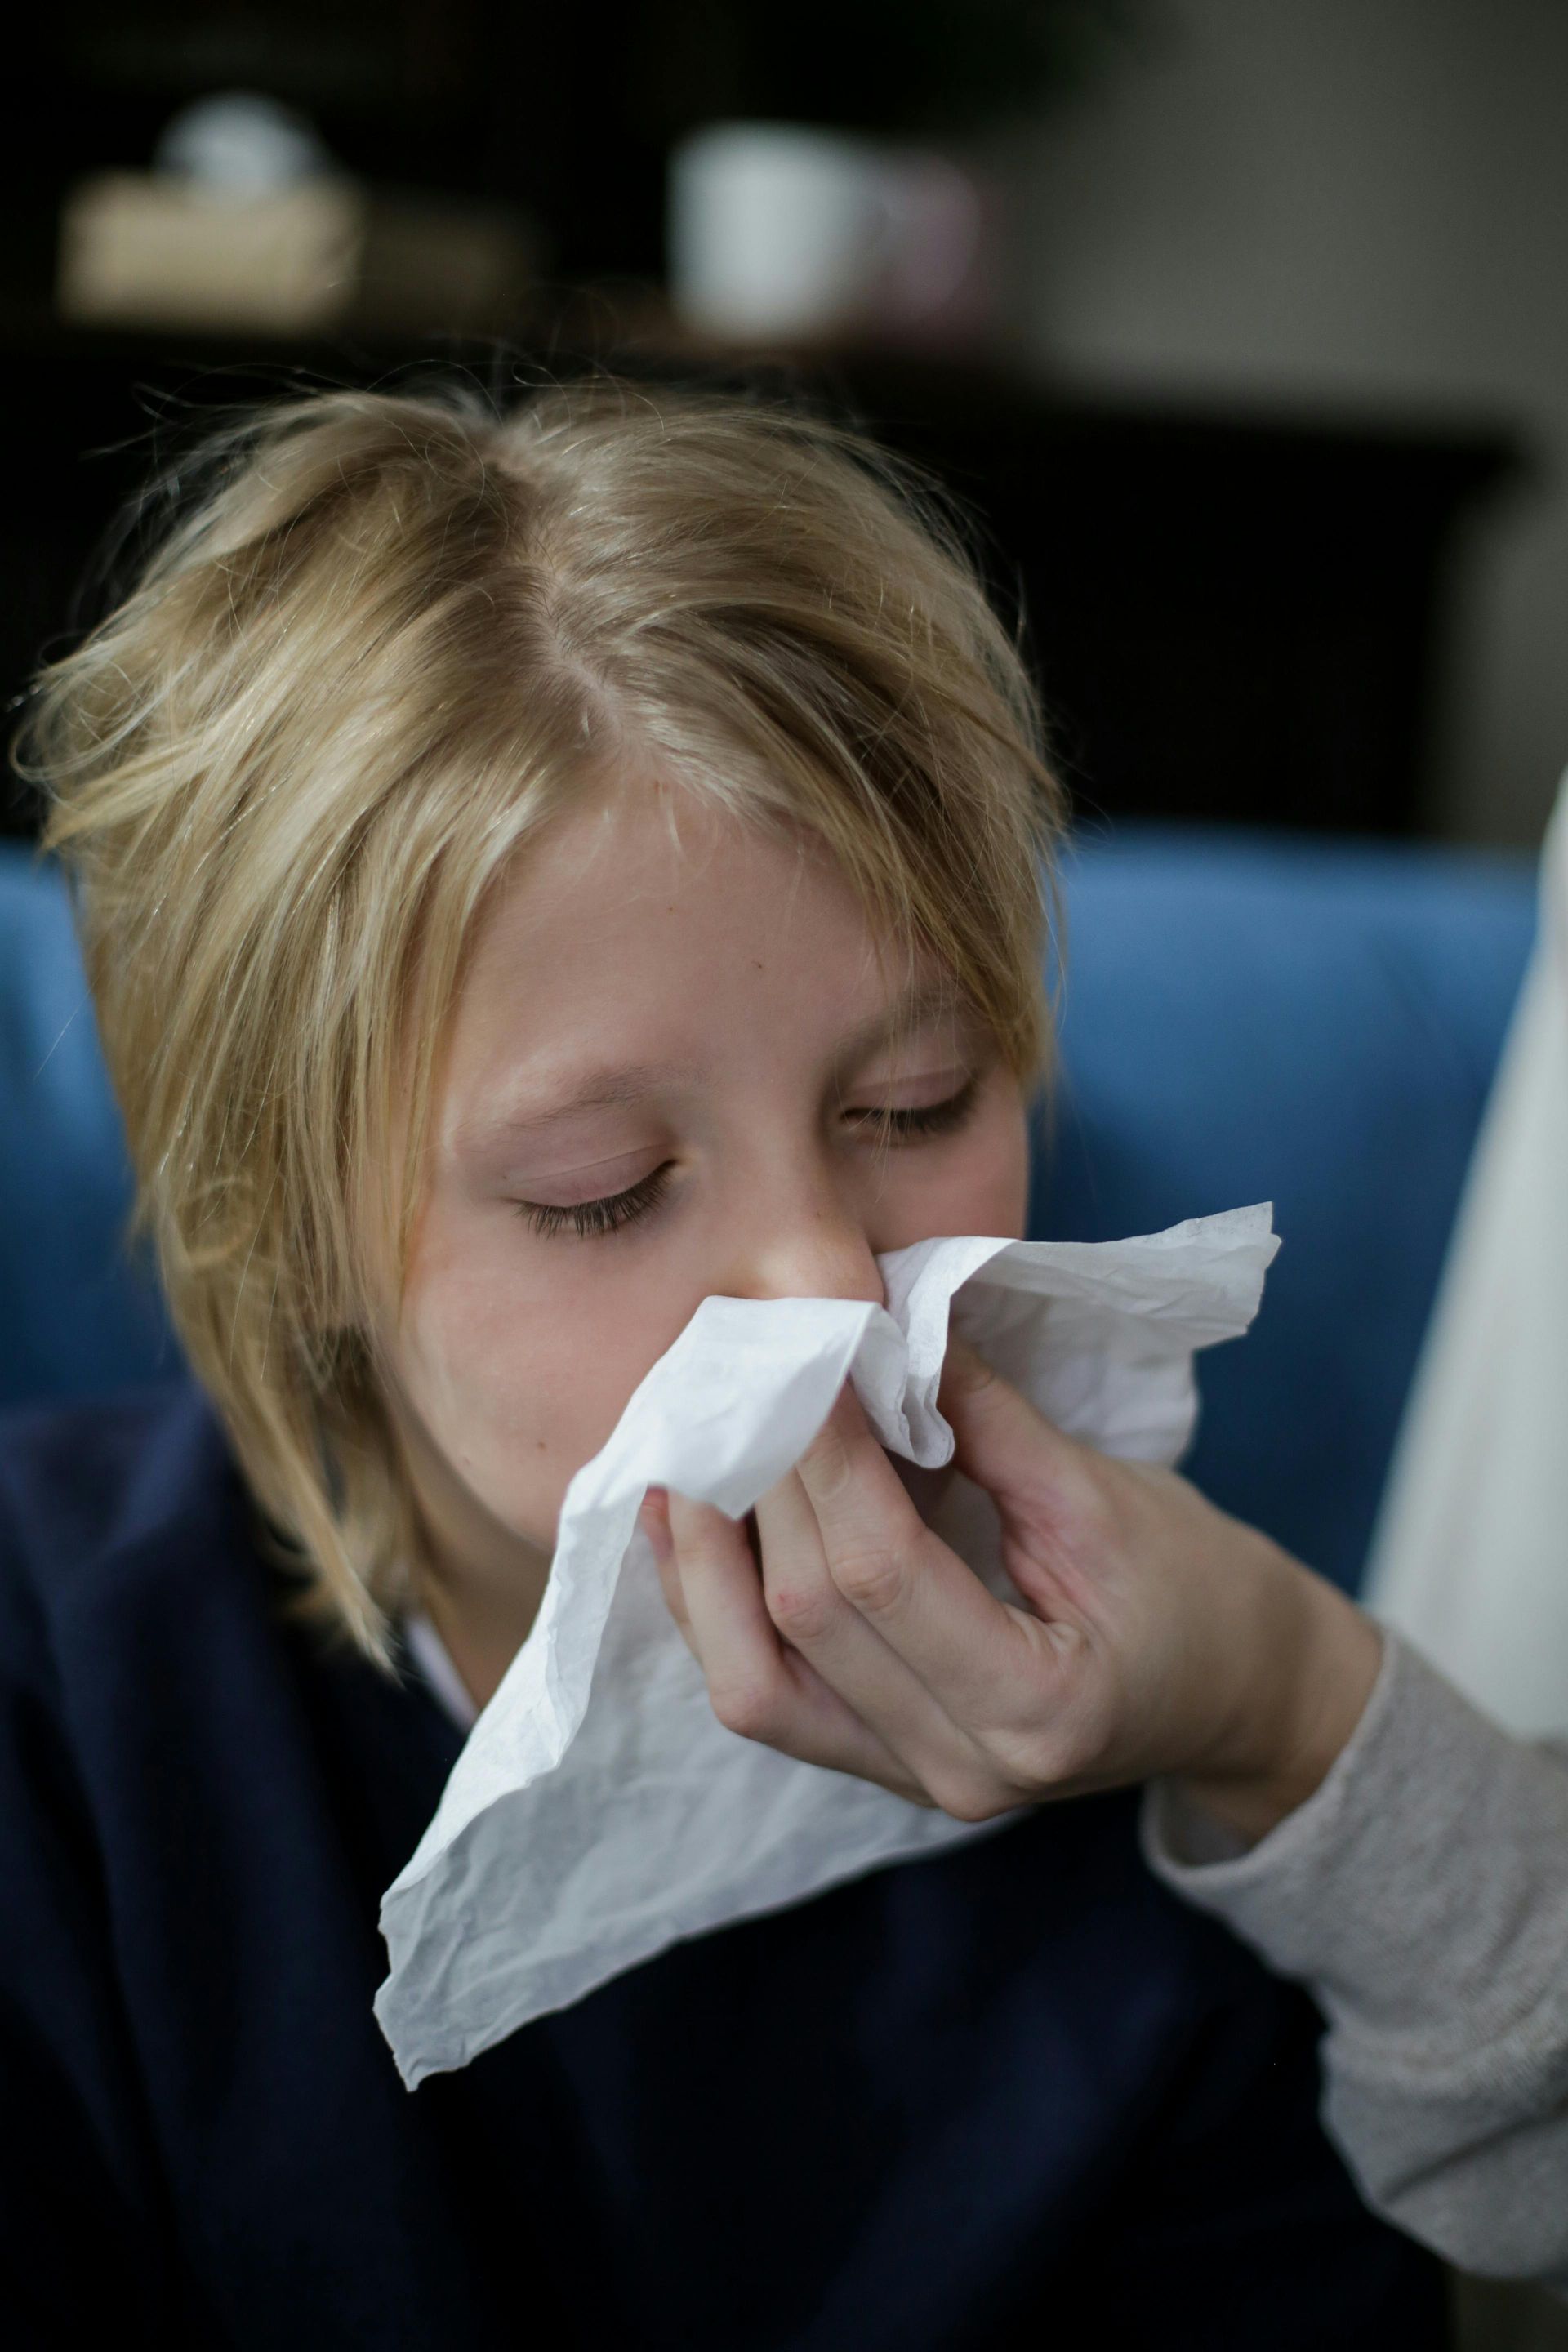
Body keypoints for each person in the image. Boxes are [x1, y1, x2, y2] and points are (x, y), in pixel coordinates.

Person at [0, 372, 1446, 2350]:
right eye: (605, 1191)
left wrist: (1283, 1713)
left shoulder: (1158, 1730)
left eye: (916, 1100)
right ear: (288, 1225)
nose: (829, 1288)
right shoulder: (58, 1726)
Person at [644, 1288, 1568, 2298]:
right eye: (605, 1193)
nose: (828, 1274)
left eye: (910, 1120)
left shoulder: (1166, 1928)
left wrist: (1285, 1691)